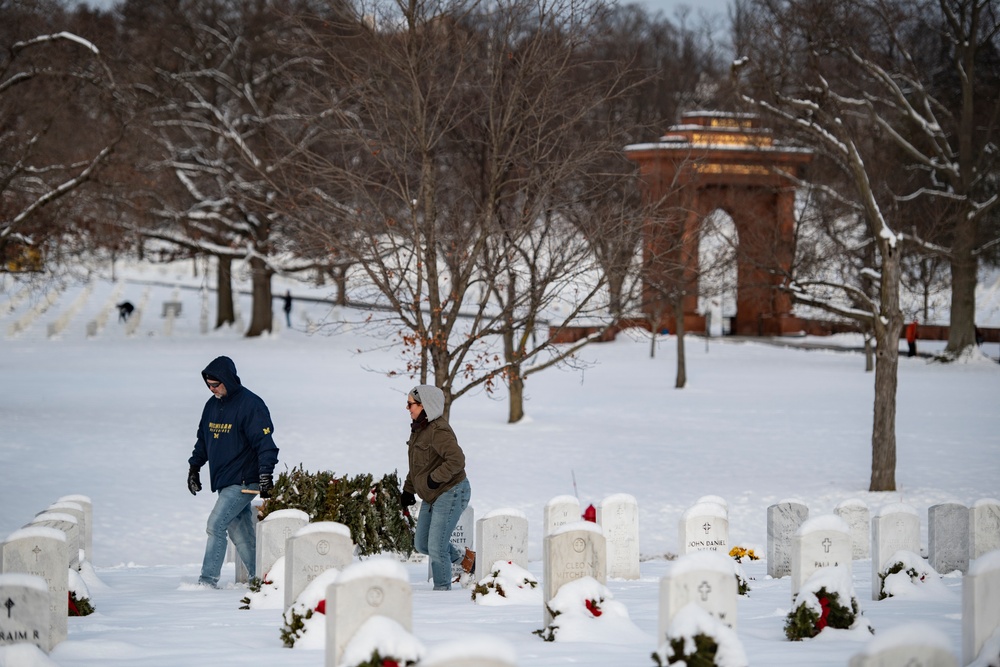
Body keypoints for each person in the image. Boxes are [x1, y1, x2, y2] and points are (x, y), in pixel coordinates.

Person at [187, 356, 279, 588]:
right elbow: (203, 440)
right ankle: (260, 578)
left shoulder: (251, 405)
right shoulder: (211, 405)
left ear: (228, 379)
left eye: (216, 384)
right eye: (208, 385)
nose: (212, 389)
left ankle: (207, 581)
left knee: (215, 525)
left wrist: (265, 475)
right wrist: (194, 467)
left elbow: (265, 444)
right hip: (224, 479)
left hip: (245, 480)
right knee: (240, 532)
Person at [399, 385, 474, 590]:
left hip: (451, 490)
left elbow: (457, 460)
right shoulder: (418, 429)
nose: (408, 408)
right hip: (433, 494)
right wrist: (408, 490)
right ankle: (466, 560)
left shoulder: (438, 430)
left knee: (437, 546)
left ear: (425, 406)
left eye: (411, 404)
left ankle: (442, 593)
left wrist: (434, 478)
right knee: (422, 544)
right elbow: (418, 466)